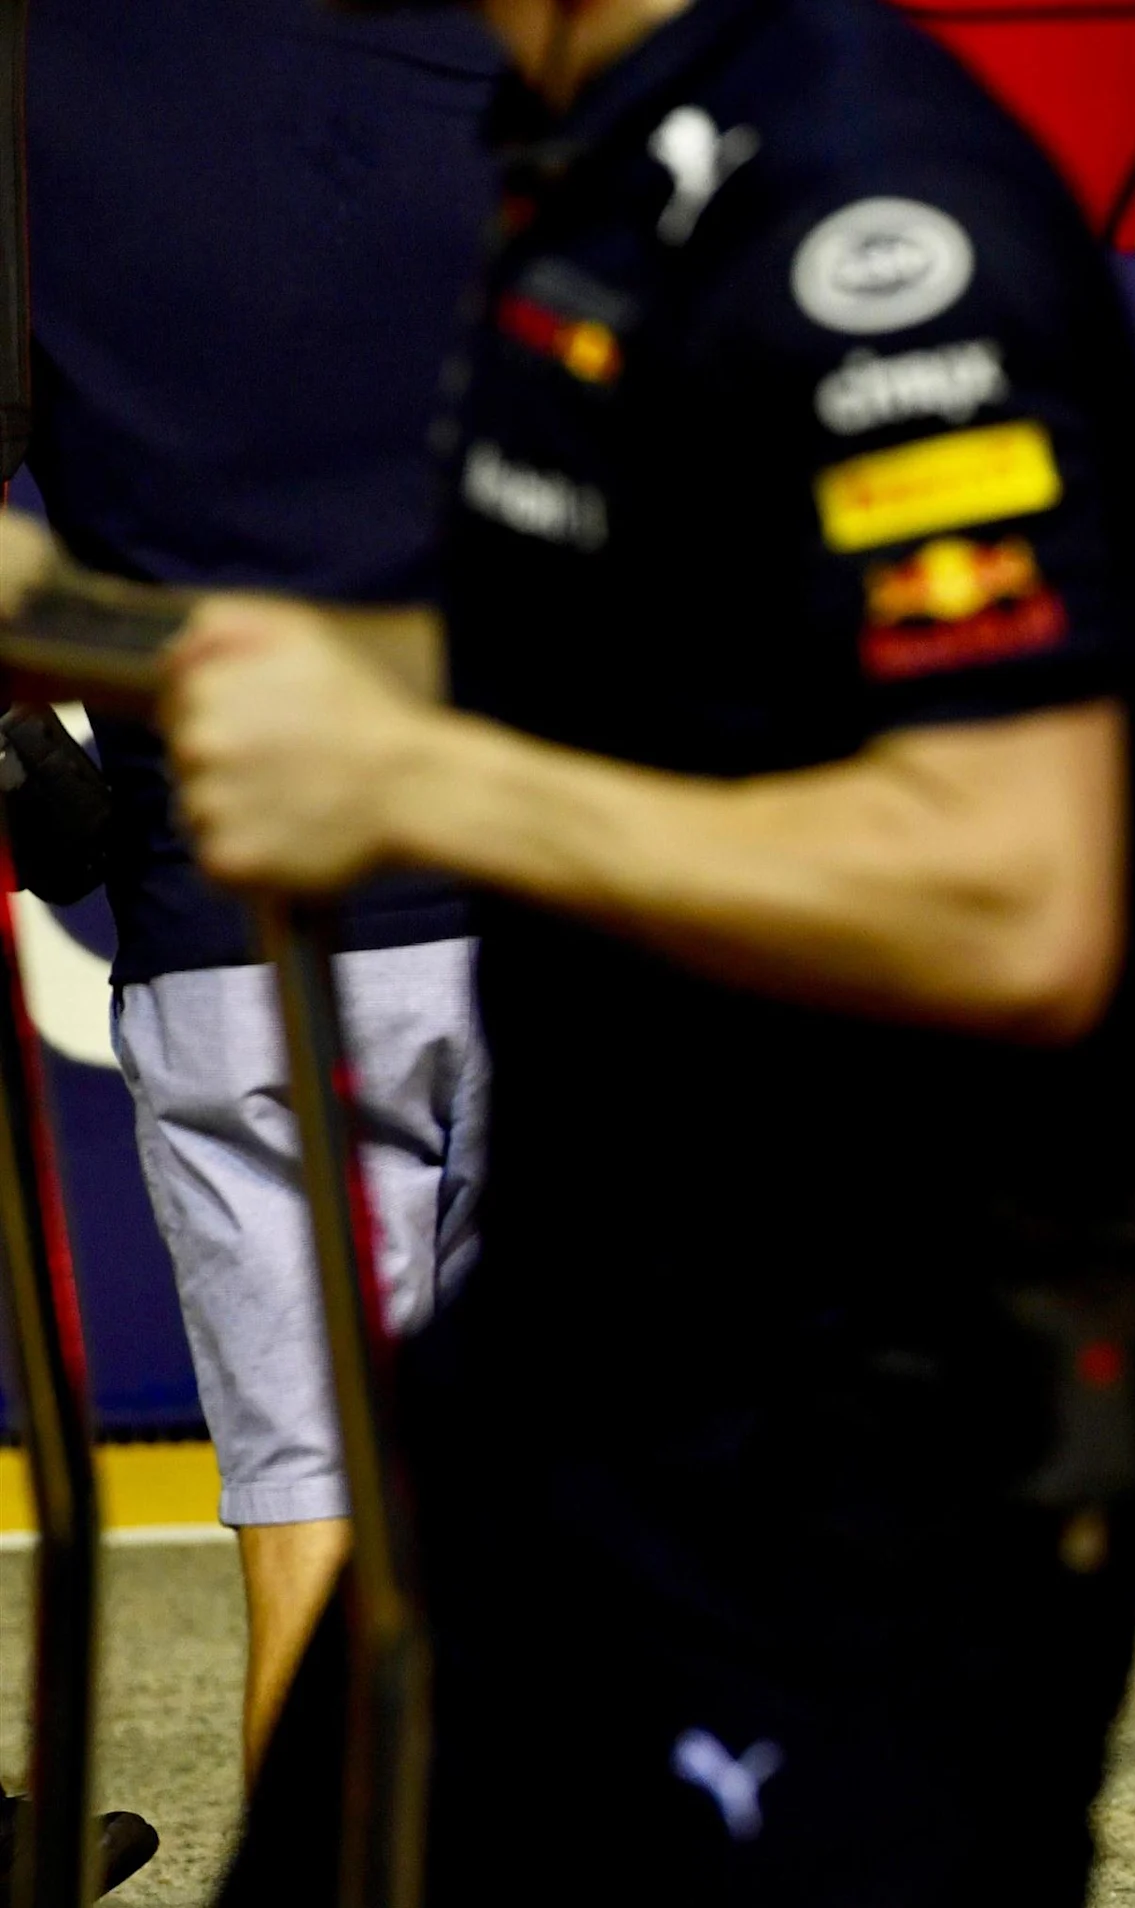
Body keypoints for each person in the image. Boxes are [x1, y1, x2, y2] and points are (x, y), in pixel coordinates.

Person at [0, 0, 1135, 1895]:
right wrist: (102, 629)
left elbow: (1013, 890)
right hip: (574, 1384)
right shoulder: (592, 160)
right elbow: (603, 663)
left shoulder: (866, 197)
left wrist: (412, 780)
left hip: (848, 1446)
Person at [24, 0, 501, 1778]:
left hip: (237, 910)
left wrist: (77, 725)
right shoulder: (532, 44)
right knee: (588, 1537)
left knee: (312, 1525)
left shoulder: (36, 71)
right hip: (567, 871)